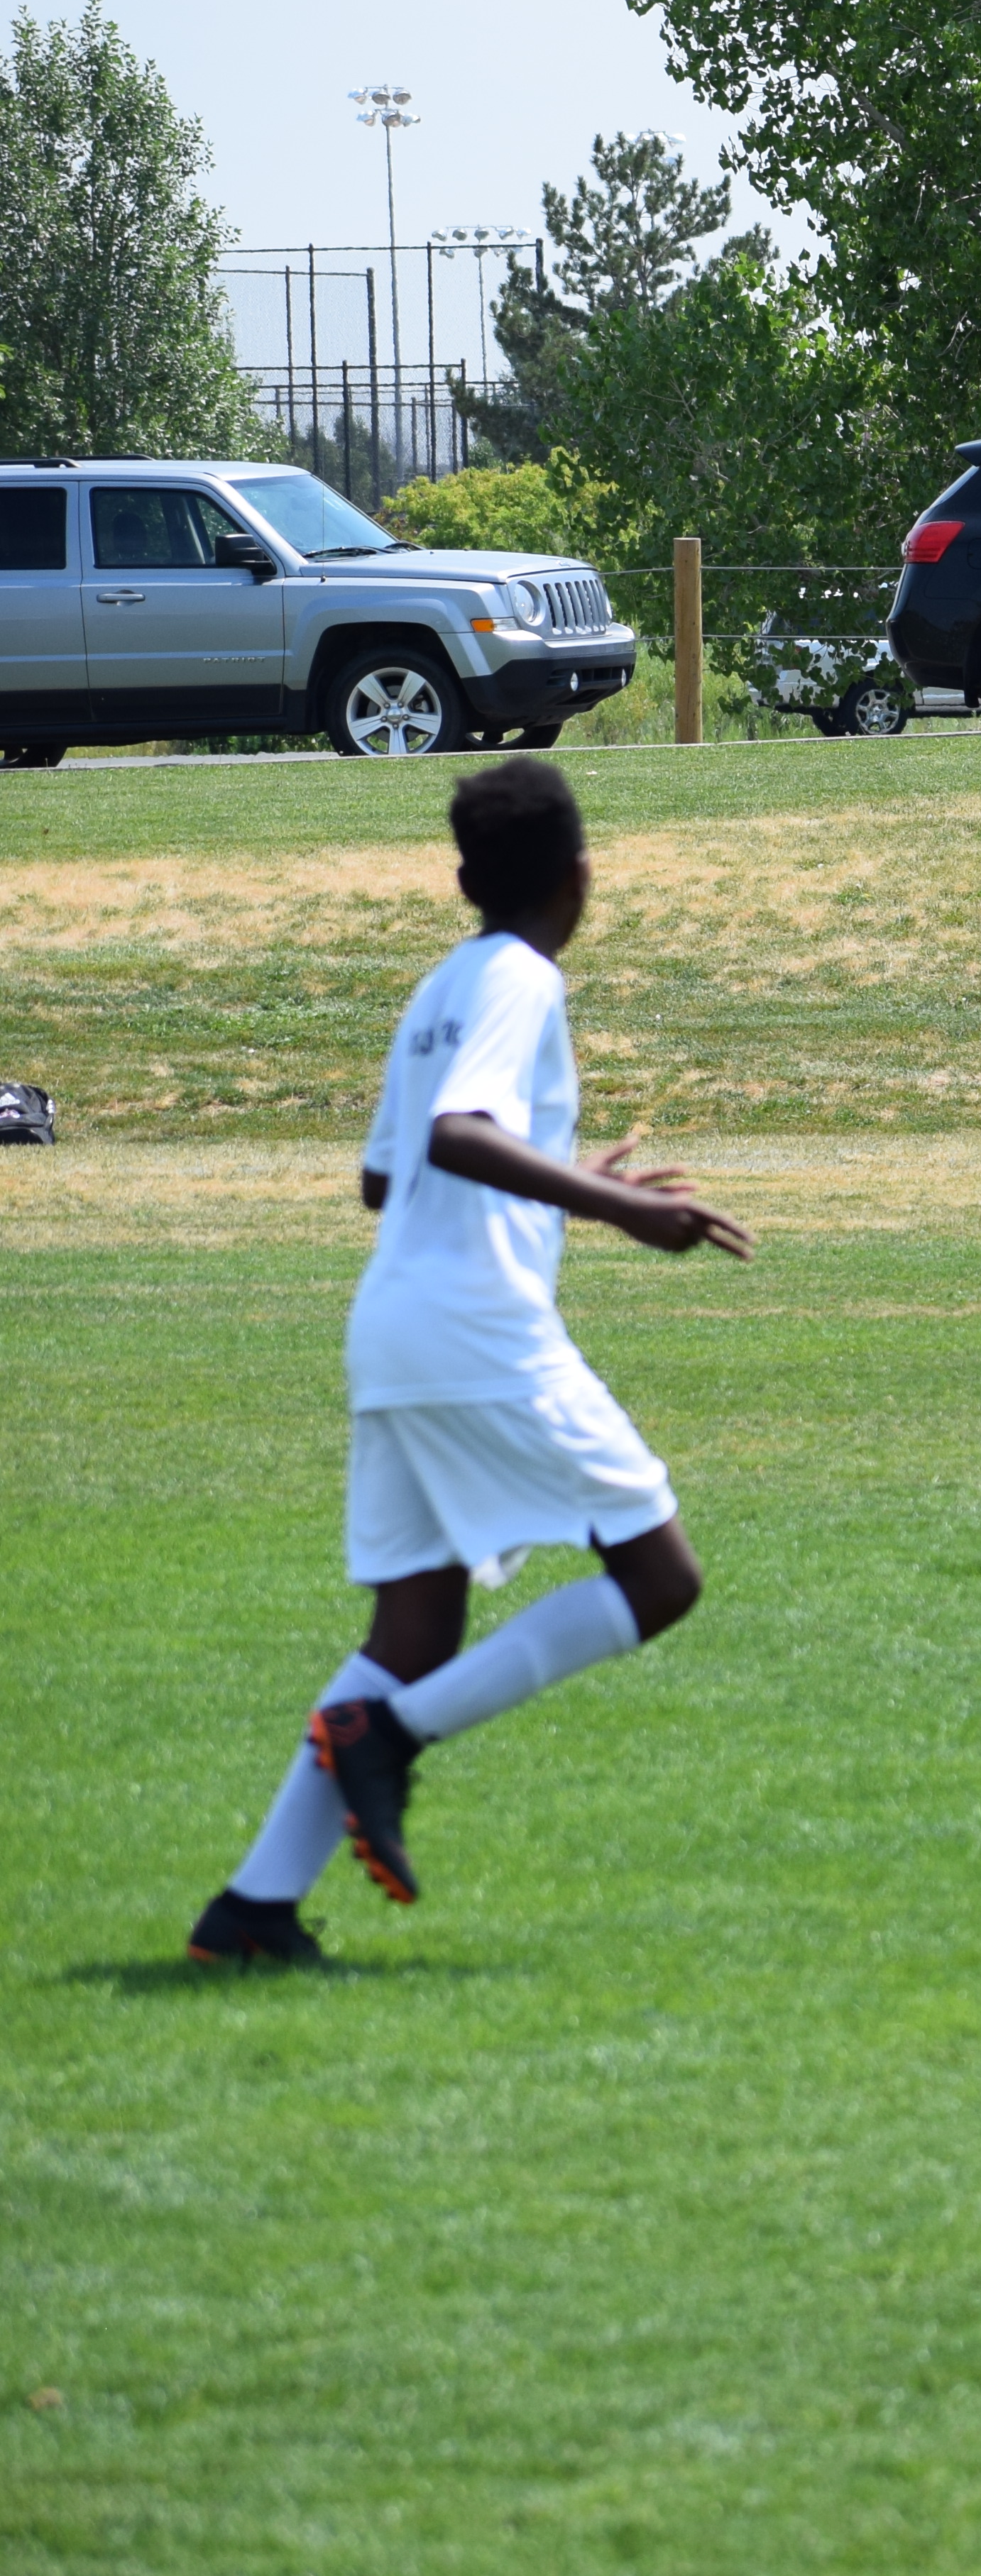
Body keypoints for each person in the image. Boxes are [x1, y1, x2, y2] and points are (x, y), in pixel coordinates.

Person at [189, 759, 754, 1966]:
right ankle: (388, 1741)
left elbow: (385, 1177)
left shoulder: (446, 981)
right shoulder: (519, 981)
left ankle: (251, 1911)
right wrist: (614, 1209)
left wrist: (572, 1176)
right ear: (581, 877)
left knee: (415, 1626)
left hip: (393, 1323)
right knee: (660, 1577)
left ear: (462, 879)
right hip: (472, 1328)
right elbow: (458, 1138)